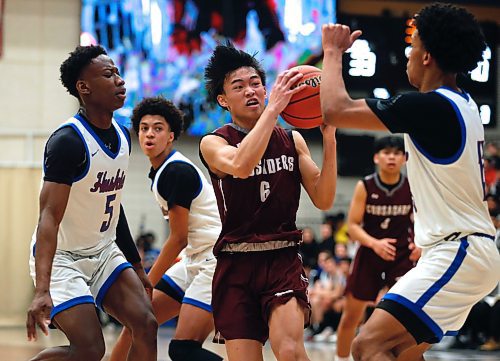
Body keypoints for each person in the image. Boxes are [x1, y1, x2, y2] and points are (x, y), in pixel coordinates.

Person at [321, 3, 500, 360]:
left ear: (428, 56)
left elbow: (335, 109)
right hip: (461, 251)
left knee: (367, 345)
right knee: (401, 352)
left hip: (459, 250)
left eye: (413, 45)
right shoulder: (462, 104)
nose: (409, 53)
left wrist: (331, 52)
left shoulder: (430, 107)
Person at [199, 42, 337, 361]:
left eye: (256, 83)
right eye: (239, 86)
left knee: (288, 350)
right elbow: (242, 166)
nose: (251, 91)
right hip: (236, 262)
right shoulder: (214, 143)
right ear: (223, 100)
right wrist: (273, 110)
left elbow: (325, 198)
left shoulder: (292, 140)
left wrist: (329, 140)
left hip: (282, 259)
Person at [26, 45, 157, 361]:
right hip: (62, 257)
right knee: (90, 349)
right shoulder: (67, 142)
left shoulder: (123, 136)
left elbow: (115, 205)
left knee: (146, 324)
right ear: (84, 87)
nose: (120, 81)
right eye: (109, 74)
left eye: (118, 73)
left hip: (103, 251)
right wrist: (42, 289)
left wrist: (137, 267)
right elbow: (48, 218)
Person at [109, 96, 223, 361]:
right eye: (144, 128)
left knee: (183, 350)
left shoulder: (176, 172)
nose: (150, 134)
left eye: (158, 128)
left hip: (215, 260)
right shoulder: (160, 171)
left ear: (171, 136)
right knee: (139, 322)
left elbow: (178, 238)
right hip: (195, 257)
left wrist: (146, 281)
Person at [335, 136, 419, 361]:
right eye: (386, 152)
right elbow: (352, 226)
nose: (391, 157)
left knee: (406, 317)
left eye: (396, 153)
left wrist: (420, 243)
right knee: (351, 316)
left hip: (402, 256)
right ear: (376, 157)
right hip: (370, 253)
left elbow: (425, 220)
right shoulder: (365, 185)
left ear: (405, 158)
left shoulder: (413, 187)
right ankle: (341, 359)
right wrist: (374, 243)